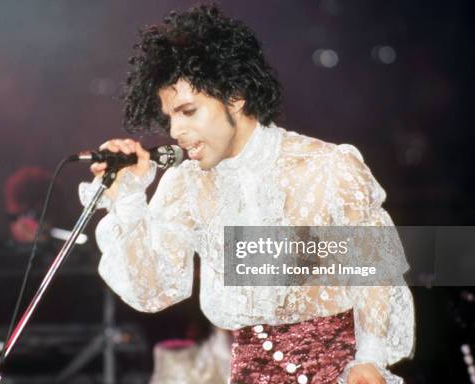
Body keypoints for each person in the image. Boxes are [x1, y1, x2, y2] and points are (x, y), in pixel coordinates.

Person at [79, 5, 414, 384]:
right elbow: (154, 290)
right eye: (170, 116)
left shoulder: (327, 166)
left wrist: (370, 357)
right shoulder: (186, 183)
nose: (175, 130)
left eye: (188, 111)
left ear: (235, 97)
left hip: (339, 373)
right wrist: (128, 198)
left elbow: (377, 272)